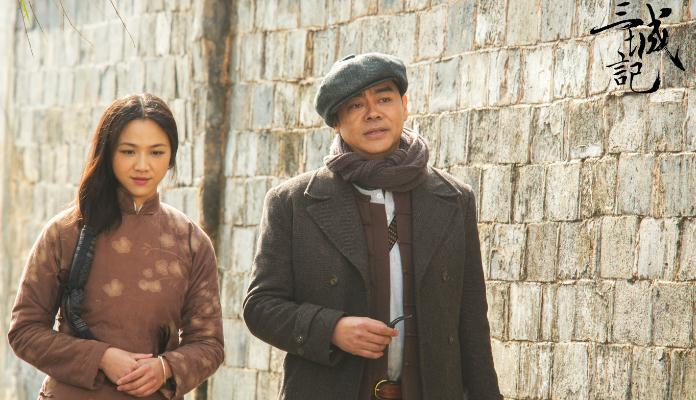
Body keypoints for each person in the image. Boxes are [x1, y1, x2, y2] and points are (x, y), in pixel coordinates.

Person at [243, 53, 501, 399]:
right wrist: (332, 329)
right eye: (355, 105)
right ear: (336, 122)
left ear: (404, 106)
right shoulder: (293, 203)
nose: (373, 113)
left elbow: (471, 321)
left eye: (384, 99)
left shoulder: (453, 199)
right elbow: (260, 307)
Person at [8, 93, 224, 399]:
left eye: (156, 152)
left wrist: (165, 368)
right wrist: (101, 358)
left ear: (172, 157)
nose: (142, 165)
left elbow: (209, 344)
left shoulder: (190, 241)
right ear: (108, 153)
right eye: (128, 151)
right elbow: (24, 331)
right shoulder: (65, 232)